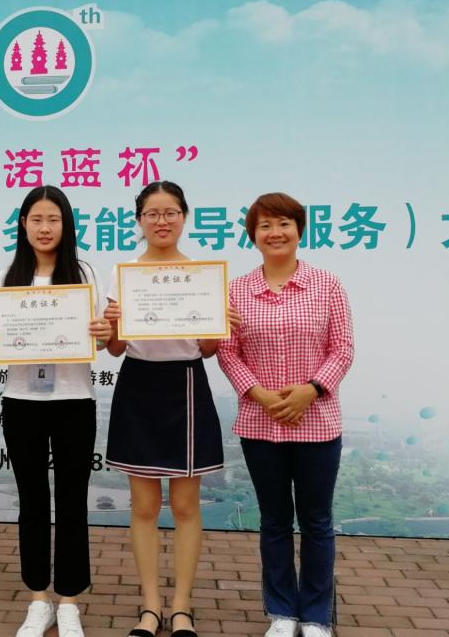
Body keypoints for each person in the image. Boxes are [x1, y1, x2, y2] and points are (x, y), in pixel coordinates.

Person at [0, 186, 112, 637]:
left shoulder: (85, 273)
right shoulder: (7, 275)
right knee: (31, 502)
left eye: (54, 219)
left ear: (66, 225)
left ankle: (68, 600)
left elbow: (105, 340)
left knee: (72, 501)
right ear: (23, 225)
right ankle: (37, 598)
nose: (45, 228)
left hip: (74, 401)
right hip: (21, 402)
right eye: (36, 219)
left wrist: (104, 331)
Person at [103, 180, 241, 637]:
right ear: (139, 220)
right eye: (152, 213)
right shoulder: (123, 272)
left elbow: (207, 349)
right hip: (138, 383)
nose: (162, 221)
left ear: (184, 217)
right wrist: (111, 324)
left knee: (184, 505)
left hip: (185, 384)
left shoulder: (202, 274)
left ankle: (181, 606)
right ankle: (150, 606)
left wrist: (218, 326)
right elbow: (115, 349)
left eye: (171, 212)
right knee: (143, 506)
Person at [216, 192, 354, 637]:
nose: (275, 233)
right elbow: (227, 351)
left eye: (283, 224)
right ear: (253, 235)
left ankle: (315, 616)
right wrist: (260, 395)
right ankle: (281, 612)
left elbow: (343, 348)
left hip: (317, 422)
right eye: (265, 226)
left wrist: (309, 391)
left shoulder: (327, 285)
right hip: (260, 424)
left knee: (316, 522)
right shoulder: (236, 289)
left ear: (299, 230)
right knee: (274, 521)